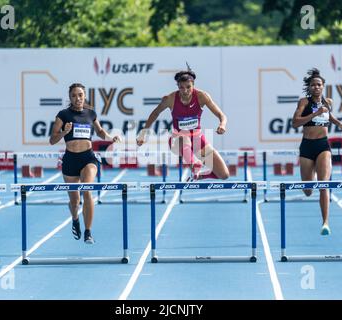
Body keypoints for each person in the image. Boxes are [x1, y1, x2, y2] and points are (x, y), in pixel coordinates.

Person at [49, 83, 121, 244]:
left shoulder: (90, 114)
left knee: (87, 189)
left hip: (88, 158)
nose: (77, 98)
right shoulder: (63, 115)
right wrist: (64, 132)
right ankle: (75, 218)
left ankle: (88, 232)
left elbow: (100, 132)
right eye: (74, 95)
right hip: (70, 160)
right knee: (75, 202)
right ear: (70, 97)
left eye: (80, 95)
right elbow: (52, 140)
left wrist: (111, 137)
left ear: (84, 96)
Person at [136, 67, 229, 181]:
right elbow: (155, 114)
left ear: (193, 84)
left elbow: (222, 115)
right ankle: (195, 164)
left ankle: (199, 175)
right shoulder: (170, 99)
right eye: (181, 87)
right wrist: (143, 133)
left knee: (224, 175)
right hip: (177, 141)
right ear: (178, 87)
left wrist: (222, 125)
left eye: (188, 87)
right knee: (184, 138)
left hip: (197, 139)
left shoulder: (202, 96)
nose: (185, 91)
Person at [292, 68, 342, 235]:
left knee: (324, 184)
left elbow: (328, 116)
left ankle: (325, 223)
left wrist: (339, 124)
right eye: (313, 85)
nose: (316, 87)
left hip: (323, 146)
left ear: (323, 87)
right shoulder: (303, 102)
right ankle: (312, 177)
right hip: (307, 147)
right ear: (309, 87)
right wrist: (315, 113)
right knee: (308, 190)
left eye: (319, 85)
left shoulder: (327, 102)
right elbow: (295, 123)